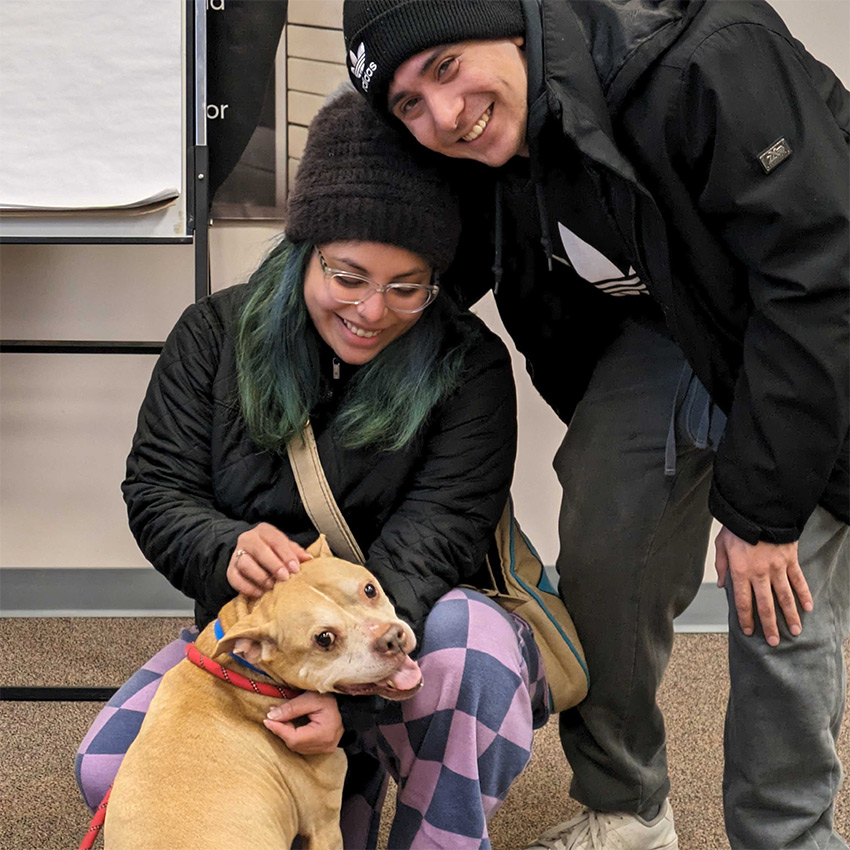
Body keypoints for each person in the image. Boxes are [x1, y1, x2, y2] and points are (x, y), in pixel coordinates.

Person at [342, 1, 850, 848]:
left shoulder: (711, 61)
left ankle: (789, 835)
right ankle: (629, 809)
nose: (443, 116)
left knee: (779, 591)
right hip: (666, 328)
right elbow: (416, 252)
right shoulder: (481, 138)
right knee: (605, 556)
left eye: (444, 68)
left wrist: (761, 517)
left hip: (815, 325)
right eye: (407, 105)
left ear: (511, 25)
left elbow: (820, 278)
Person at [75, 89, 550, 850]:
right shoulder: (213, 333)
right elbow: (157, 490)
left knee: (475, 651)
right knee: (109, 767)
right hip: (274, 644)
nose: (373, 310)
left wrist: (353, 703)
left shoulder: (469, 365)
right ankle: (336, 780)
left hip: (409, 634)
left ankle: (432, 830)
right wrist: (222, 545)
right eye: (349, 276)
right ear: (305, 248)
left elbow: (437, 538)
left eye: (408, 287)